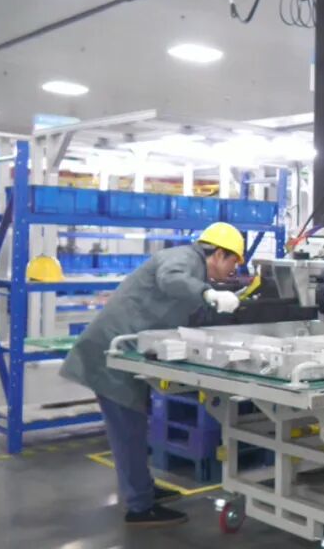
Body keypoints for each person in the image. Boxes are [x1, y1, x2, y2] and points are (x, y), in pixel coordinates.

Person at [60, 222, 246, 527]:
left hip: (127, 352)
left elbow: (185, 310)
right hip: (112, 352)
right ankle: (140, 507)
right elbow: (170, 279)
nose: (233, 270)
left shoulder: (196, 271)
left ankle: (142, 488)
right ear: (218, 254)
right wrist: (209, 294)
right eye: (233, 262)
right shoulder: (185, 259)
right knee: (128, 430)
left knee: (134, 425)